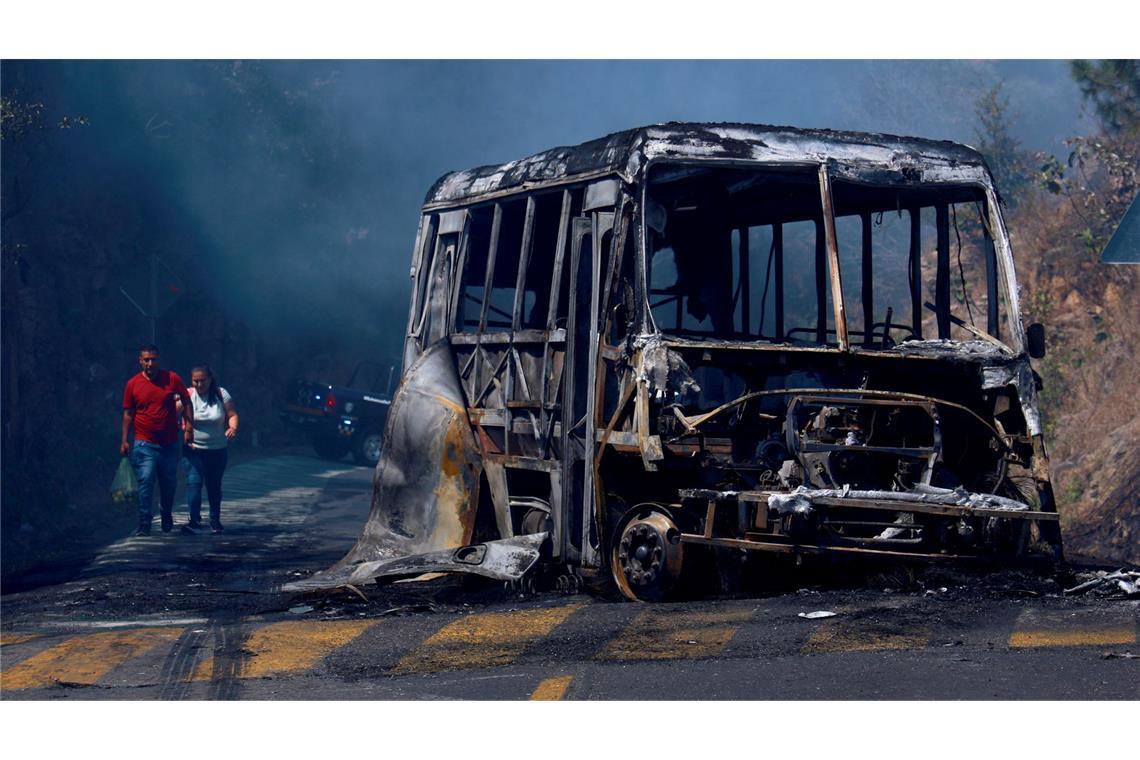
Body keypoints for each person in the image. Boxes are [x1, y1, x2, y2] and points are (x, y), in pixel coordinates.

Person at [121, 344, 193, 535]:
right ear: (140, 361)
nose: (150, 363)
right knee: (146, 480)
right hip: (144, 442)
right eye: (146, 360)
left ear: (158, 360)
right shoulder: (133, 384)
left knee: (168, 482)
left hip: (169, 442)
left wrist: (189, 427)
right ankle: (144, 522)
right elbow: (128, 413)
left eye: (153, 359)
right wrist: (124, 439)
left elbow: (186, 401)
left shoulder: (171, 378)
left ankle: (166, 513)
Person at [181, 364, 238, 534]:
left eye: (202, 381)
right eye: (195, 381)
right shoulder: (188, 395)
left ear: (210, 379)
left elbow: (232, 414)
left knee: (213, 485)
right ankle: (194, 521)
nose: (199, 385)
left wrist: (232, 428)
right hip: (194, 449)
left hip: (217, 450)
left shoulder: (221, 394)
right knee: (193, 483)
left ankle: (215, 519)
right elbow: (170, 412)